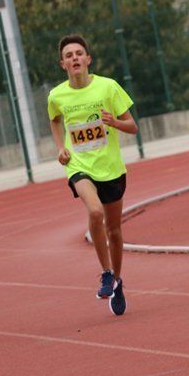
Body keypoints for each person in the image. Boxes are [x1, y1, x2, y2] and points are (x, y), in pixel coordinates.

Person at [47, 34, 137, 316]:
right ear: (63, 64)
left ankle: (118, 281)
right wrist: (61, 148)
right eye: (69, 55)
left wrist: (114, 122)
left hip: (110, 168)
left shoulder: (108, 87)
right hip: (80, 166)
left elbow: (133, 126)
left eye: (78, 53)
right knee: (95, 212)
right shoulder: (56, 95)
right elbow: (55, 119)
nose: (74, 58)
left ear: (88, 60)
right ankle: (106, 272)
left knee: (115, 230)